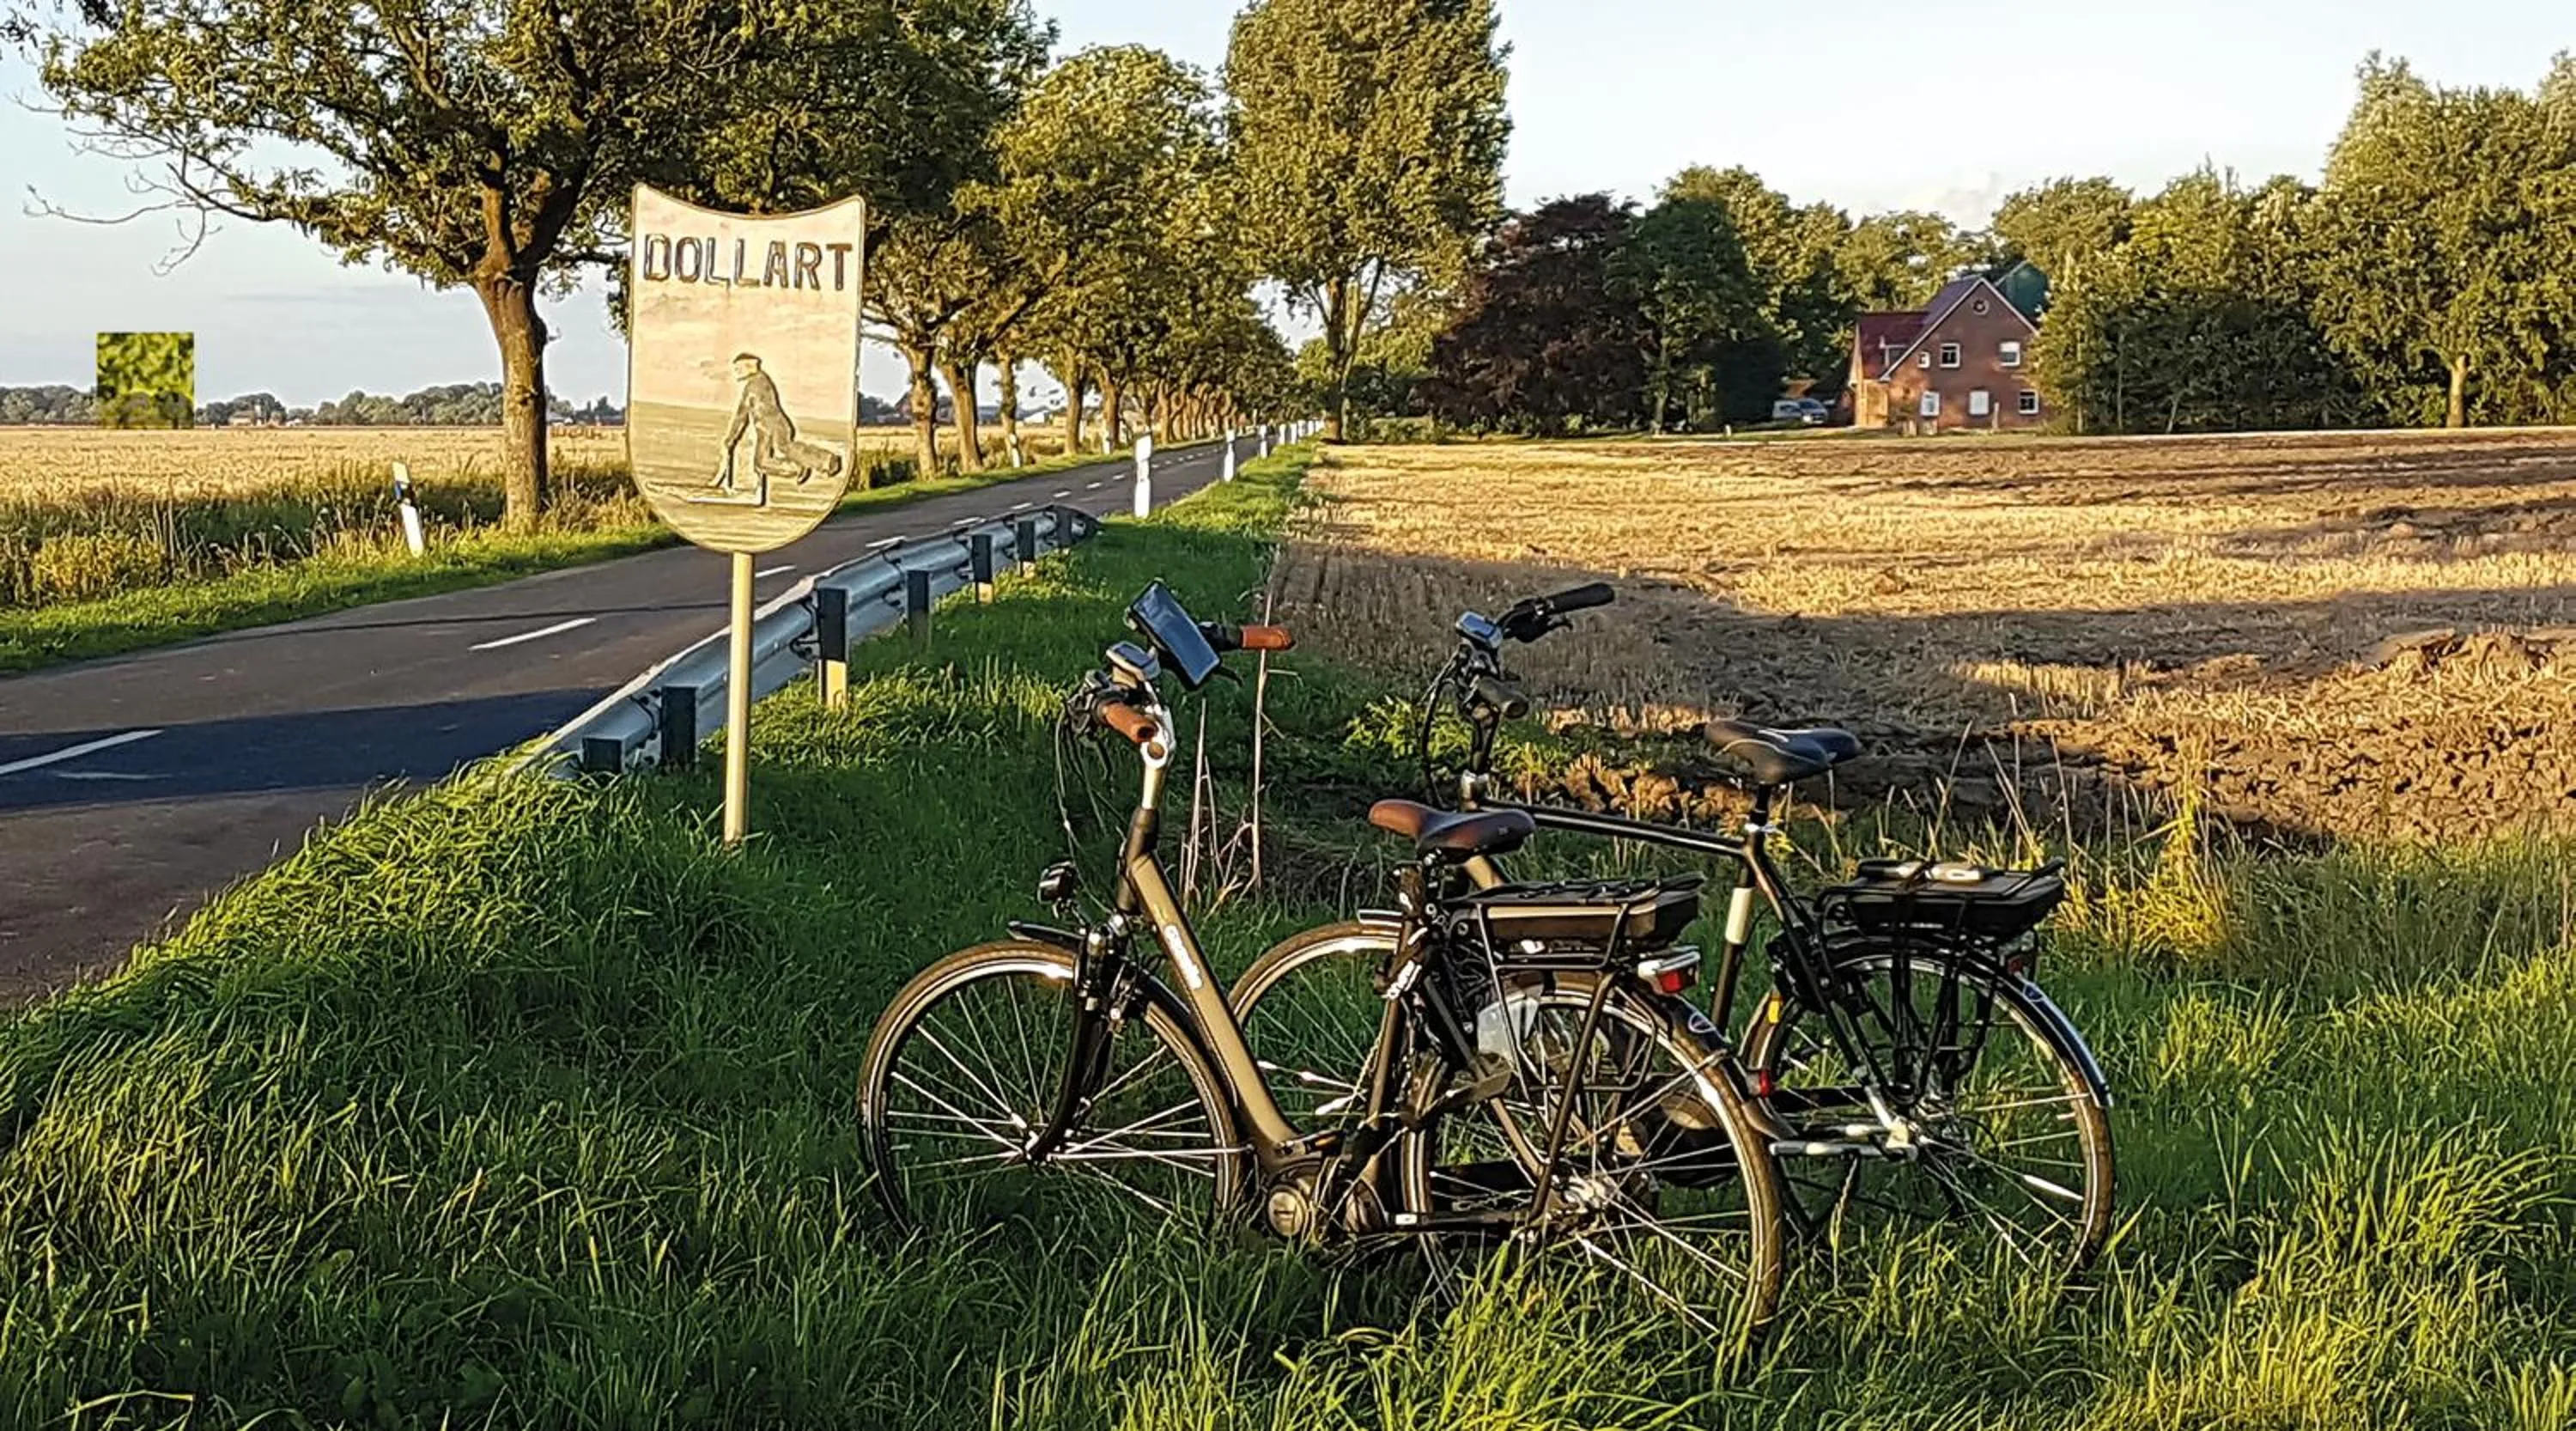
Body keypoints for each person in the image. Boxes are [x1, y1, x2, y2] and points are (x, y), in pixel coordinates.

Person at [714, 353, 842, 494]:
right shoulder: (760, 381)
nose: (736, 372)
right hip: (768, 428)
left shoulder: (754, 387)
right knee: (770, 458)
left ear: (749, 366)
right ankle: (810, 465)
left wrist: (731, 438)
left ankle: (817, 463)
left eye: (739, 369)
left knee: (778, 452)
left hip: (773, 427)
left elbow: (741, 415)